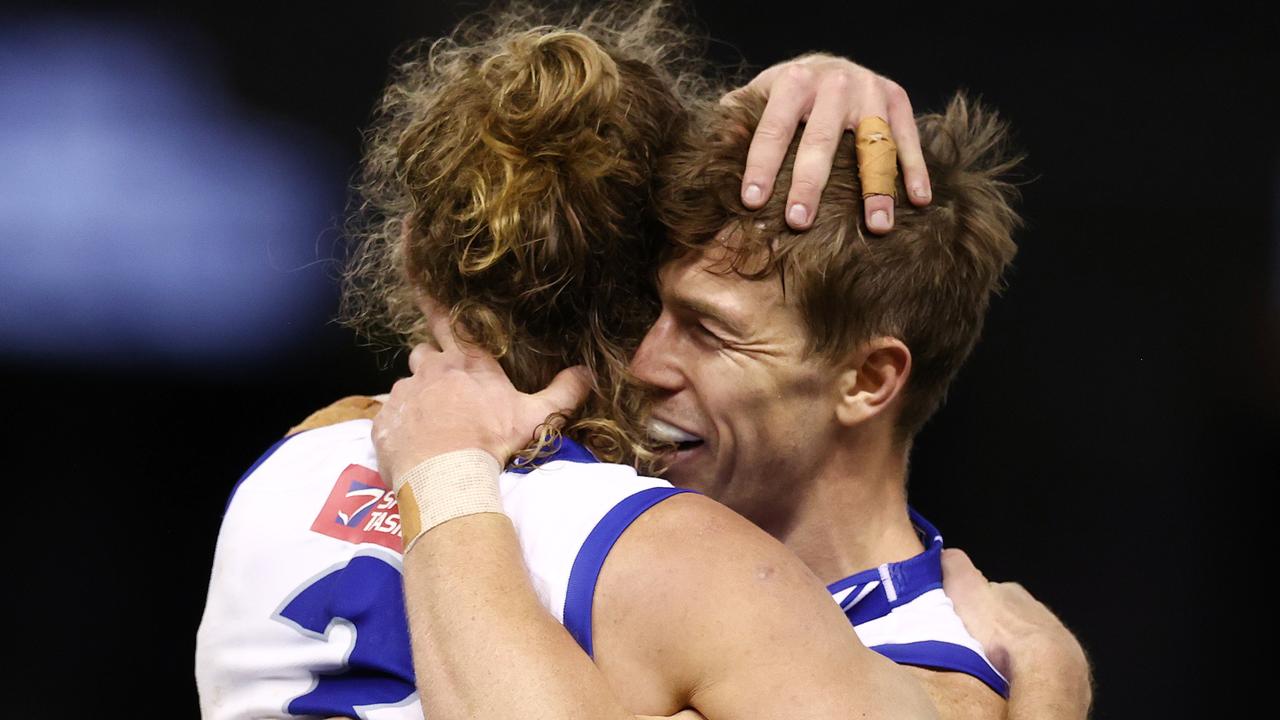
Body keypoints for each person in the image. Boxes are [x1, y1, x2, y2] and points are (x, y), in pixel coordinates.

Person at [194, 4, 954, 719]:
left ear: (411, 259)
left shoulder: (284, 472)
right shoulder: (701, 571)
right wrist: (1037, 672)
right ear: (654, 271)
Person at [371, 21, 1090, 720]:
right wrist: (816, 77)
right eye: (652, 310)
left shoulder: (928, 683)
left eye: (710, 332)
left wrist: (443, 471)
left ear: (868, 380)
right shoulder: (567, 492)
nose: (644, 362)